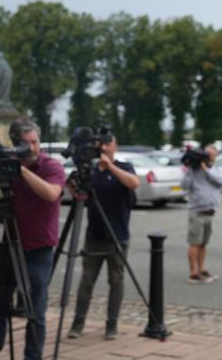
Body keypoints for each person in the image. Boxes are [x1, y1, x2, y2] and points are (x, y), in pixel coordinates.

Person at [0, 118, 65, 360]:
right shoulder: (5, 165)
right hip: (10, 243)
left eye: (35, 142)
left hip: (39, 248)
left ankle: (32, 357)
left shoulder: (51, 166)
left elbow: (51, 193)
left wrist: (20, 169)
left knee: (36, 310)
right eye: (25, 144)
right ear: (14, 144)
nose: (32, 148)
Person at [67, 134, 140, 340]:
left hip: (117, 235)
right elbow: (80, 197)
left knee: (116, 281)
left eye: (109, 143)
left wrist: (110, 168)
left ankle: (112, 325)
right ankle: (77, 323)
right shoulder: (91, 172)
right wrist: (73, 185)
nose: (105, 147)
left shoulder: (124, 167)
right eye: (102, 144)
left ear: (115, 146)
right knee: (86, 280)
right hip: (94, 235)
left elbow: (134, 183)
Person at [181, 144, 222, 284]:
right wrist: (189, 169)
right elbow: (184, 186)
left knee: (203, 243)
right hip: (197, 211)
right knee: (194, 242)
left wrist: (206, 170)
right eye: (207, 154)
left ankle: (201, 269)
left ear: (215, 156)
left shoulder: (217, 170)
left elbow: (220, 182)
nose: (209, 157)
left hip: (210, 211)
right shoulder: (194, 170)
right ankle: (193, 273)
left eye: (212, 155)